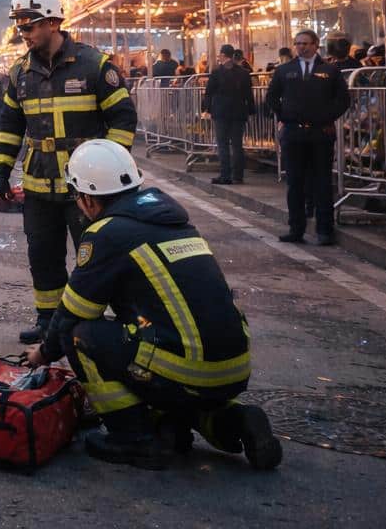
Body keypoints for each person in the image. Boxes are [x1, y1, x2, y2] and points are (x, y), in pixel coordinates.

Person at [22, 140, 282, 472]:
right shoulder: (172, 219)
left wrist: (42, 354)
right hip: (232, 367)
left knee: (81, 334)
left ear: (87, 196)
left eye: (77, 196)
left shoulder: (106, 232)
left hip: (185, 368)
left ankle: (133, 438)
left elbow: (73, 313)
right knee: (182, 401)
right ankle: (236, 419)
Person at [0, 0, 137, 345]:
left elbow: (123, 118)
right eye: (20, 27)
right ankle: (49, 323)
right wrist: (2, 167)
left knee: (97, 260)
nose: (22, 33)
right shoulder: (19, 74)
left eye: (29, 26)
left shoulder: (95, 65)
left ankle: (103, 325)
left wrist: (112, 174)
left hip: (88, 192)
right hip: (39, 186)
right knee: (43, 258)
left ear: (54, 22)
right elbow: (11, 125)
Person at [265, 29, 350, 245]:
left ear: (315, 45)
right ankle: (296, 229)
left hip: (320, 134)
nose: (301, 47)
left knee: (322, 182)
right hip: (293, 134)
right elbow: (272, 97)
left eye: (305, 43)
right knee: (295, 183)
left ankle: (324, 230)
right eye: (298, 43)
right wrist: (284, 116)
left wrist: (327, 118)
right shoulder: (284, 71)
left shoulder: (330, 71)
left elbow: (343, 100)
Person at [202, 44, 255, 186]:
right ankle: (238, 176)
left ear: (223, 55)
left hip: (221, 112)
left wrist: (206, 108)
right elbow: (248, 94)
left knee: (223, 144)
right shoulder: (243, 73)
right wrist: (251, 110)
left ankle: (225, 175)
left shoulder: (217, 72)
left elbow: (209, 92)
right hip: (239, 112)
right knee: (237, 145)